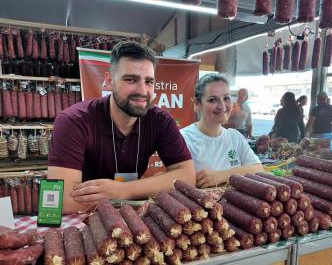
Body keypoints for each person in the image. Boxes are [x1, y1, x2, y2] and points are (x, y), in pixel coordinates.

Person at [48, 42, 195, 214]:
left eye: (149, 81)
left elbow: (187, 176)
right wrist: (148, 188)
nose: (142, 90)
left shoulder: (161, 120)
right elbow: (63, 201)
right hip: (82, 221)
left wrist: (121, 190)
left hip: (132, 221)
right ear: (109, 81)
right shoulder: (73, 121)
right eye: (131, 79)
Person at [181, 74, 263, 188]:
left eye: (226, 98)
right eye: (212, 100)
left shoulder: (234, 137)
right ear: (197, 104)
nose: (222, 106)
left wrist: (221, 176)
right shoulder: (183, 139)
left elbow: (258, 168)